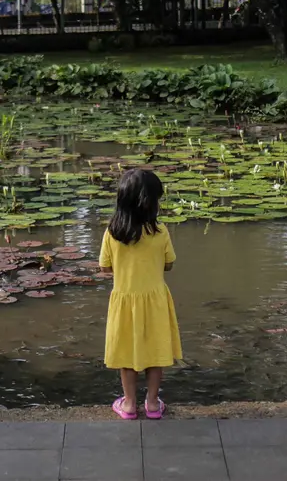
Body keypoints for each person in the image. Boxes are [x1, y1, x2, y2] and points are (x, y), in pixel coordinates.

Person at [99, 168, 182, 420]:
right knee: (155, 353)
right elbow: (169, 264)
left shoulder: (112, 233)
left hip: (124, 301)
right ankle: (153, 404)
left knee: (127, 354)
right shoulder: (160, 232)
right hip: (155, 301)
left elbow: (104, 267)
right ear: (152, 203)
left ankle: (129, 405)